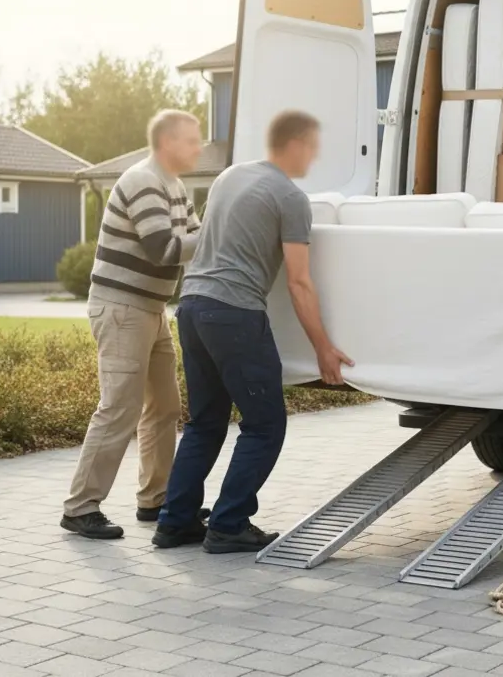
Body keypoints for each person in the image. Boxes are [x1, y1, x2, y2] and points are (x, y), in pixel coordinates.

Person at [154, 109, 352, 553]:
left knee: (205, 423)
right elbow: (299, 282)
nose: (314, 157)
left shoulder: (229, 177)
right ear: (296, 144)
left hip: (192, 306)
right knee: (265, 425)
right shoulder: (290, 197)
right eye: (313, 147)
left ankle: (175, 522)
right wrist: (323, 348)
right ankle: (228, 524)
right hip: (235, 313)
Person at [61, 109, 206, 540]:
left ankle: (155, 499)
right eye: (192, 140)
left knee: (164, 407)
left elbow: (198, 242)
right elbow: (165, 249)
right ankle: (80, 507)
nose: (199, 148)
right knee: (119, 408)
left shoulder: (175, 187)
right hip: (122, 309)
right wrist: (220, 232)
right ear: (167, 143)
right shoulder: (143, 181)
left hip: (151, 310)